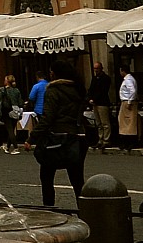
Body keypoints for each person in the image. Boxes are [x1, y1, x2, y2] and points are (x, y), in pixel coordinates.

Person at [35, 68, 88, 208]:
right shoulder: (78, 89)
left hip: (57, 137)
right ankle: (85, 209)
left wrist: (32, 138)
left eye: (52, 72)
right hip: (78, 136)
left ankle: (49, 209)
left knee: (46, 176)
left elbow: (47, 117)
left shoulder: (53, 91)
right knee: (77, 178)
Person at [89, 64, 114, 149]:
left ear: (101, 68)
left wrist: (94, 99)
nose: (96, 70)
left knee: (105, 123)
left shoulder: (106, 78)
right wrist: (89, 98)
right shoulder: (94, 78)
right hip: (95, 103)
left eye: (97, 68)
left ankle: (106, 140)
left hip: (102, 102)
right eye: (94, 68)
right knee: (98, 123)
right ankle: (100, 139)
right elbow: (91, 89)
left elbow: (103, 91)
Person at [116, 66, 140, 150]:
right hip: (127, 101)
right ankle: (127, 141)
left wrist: (129, 102)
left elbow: (132, 91)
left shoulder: (128, 80)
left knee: (128, 122)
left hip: (127, 102)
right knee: (125, 122)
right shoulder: (129, 79)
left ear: (123, 71)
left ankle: (129, 142)